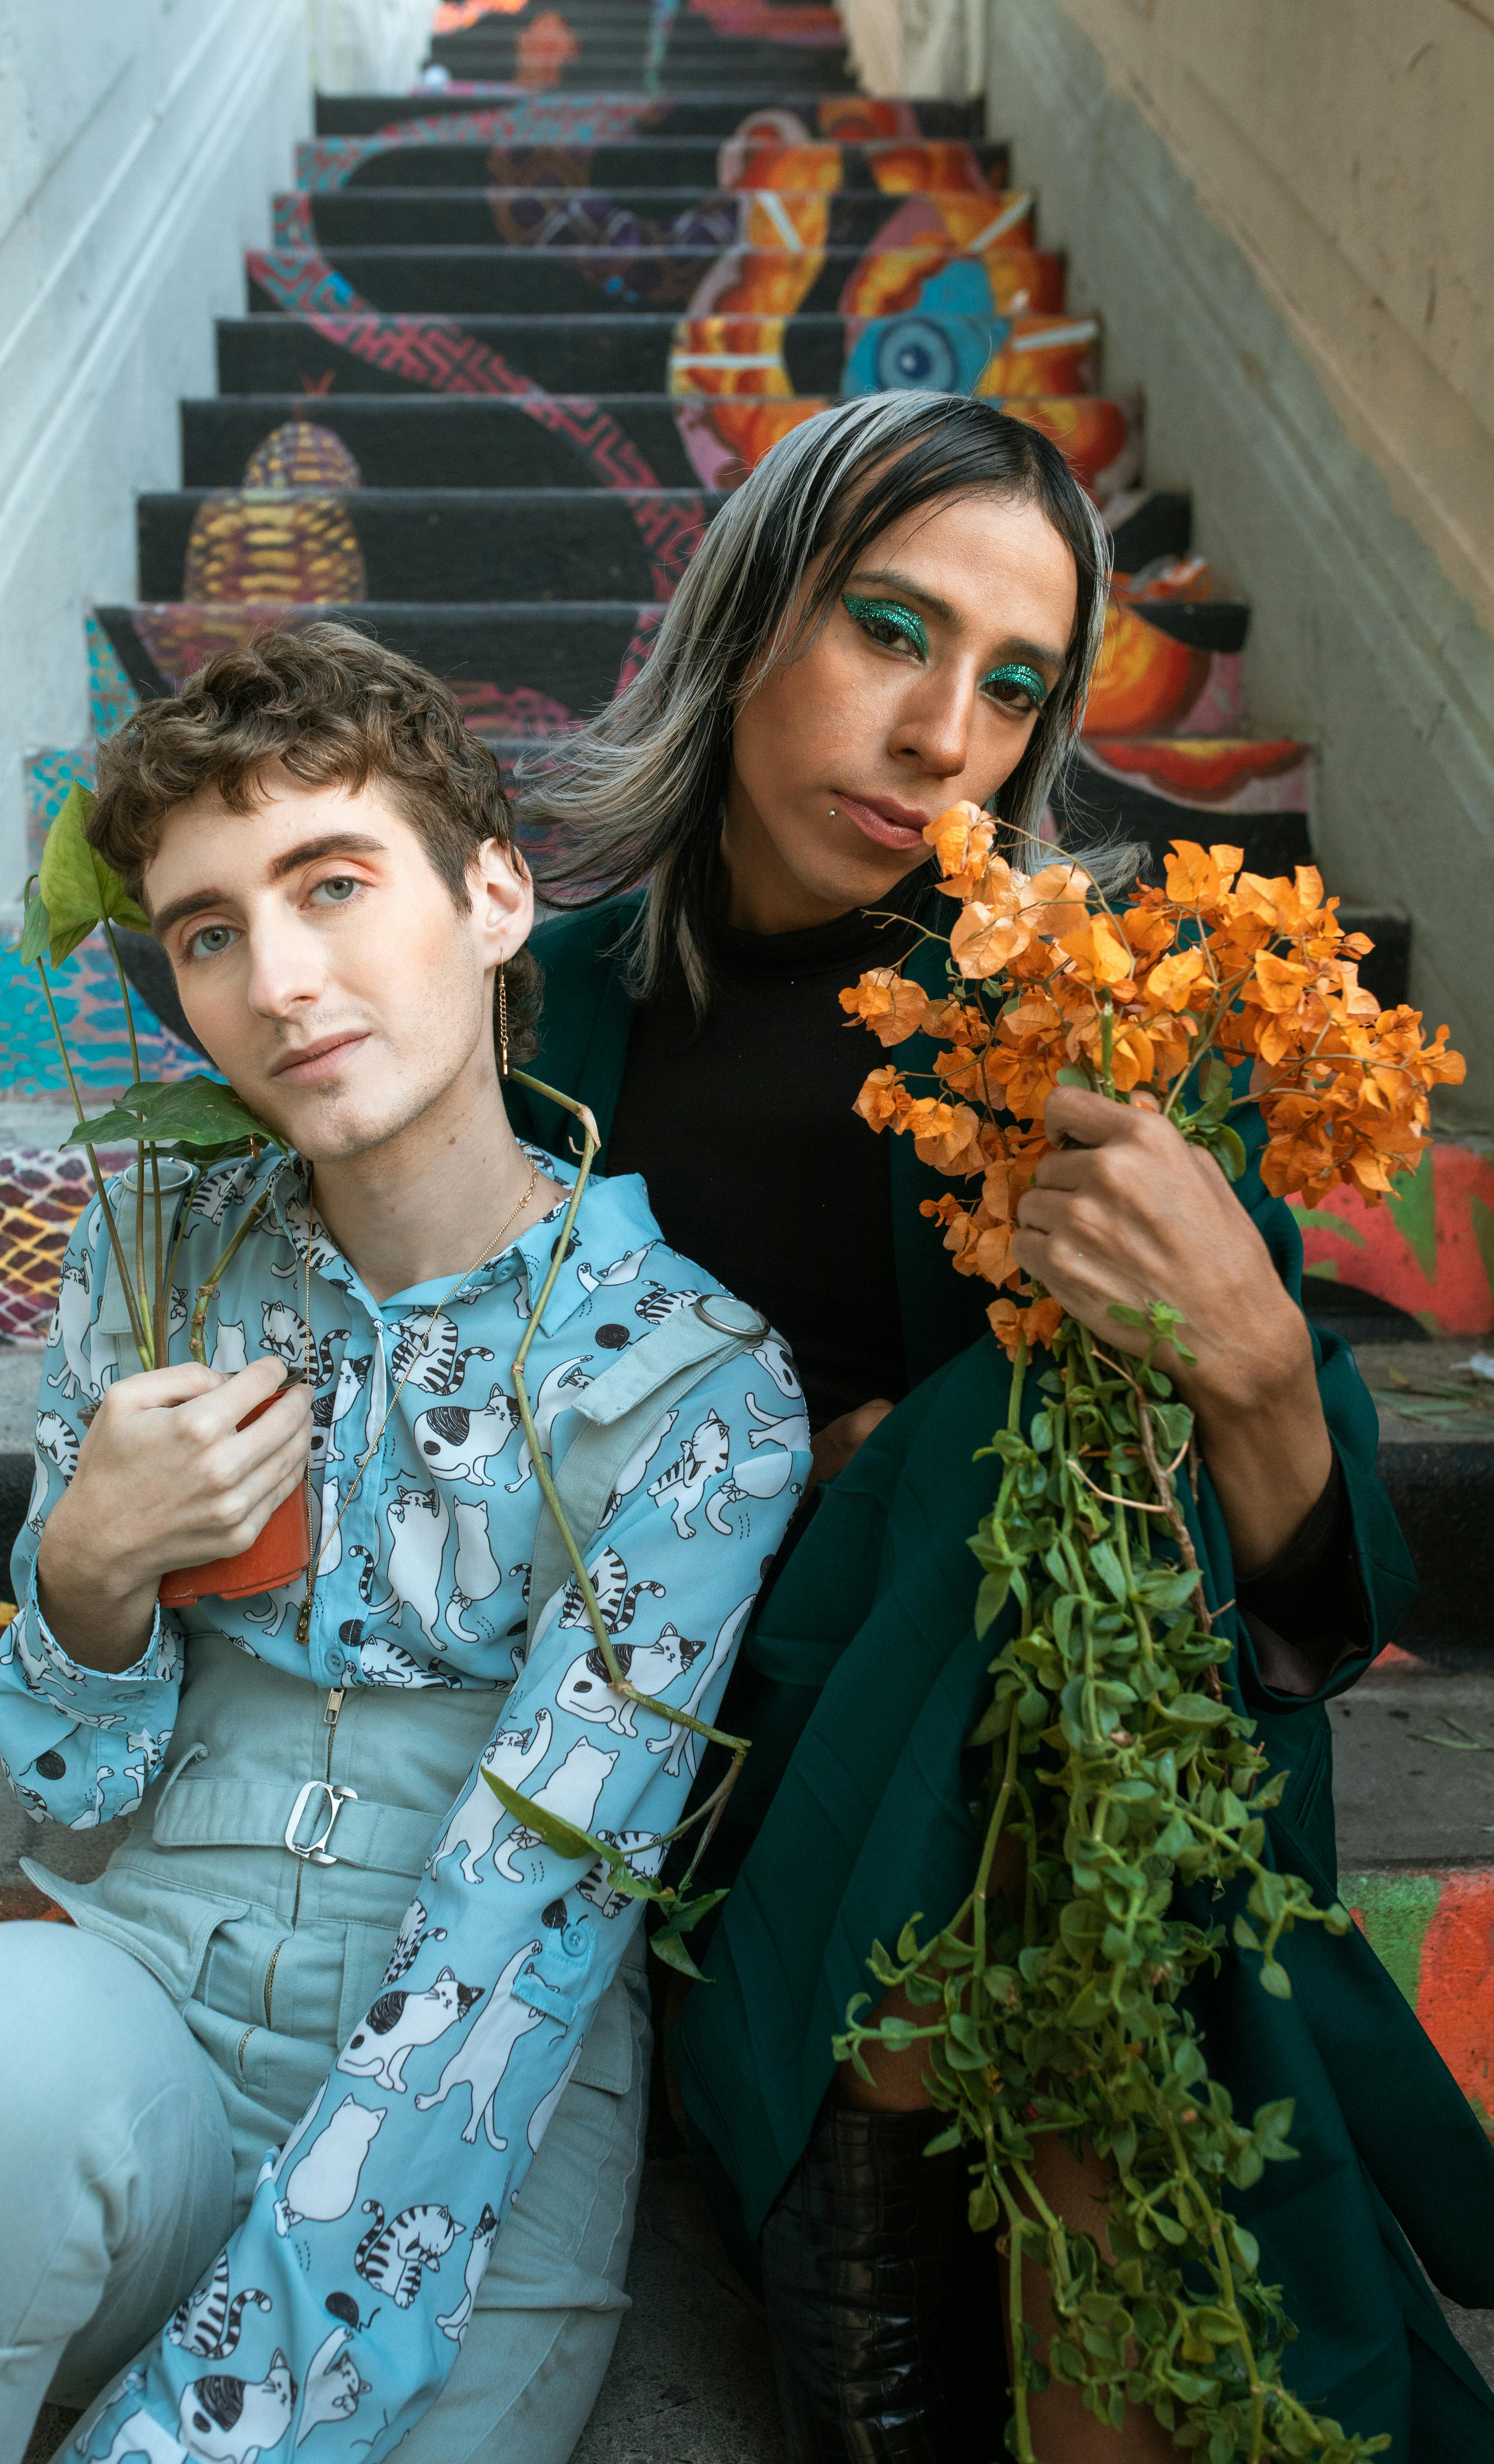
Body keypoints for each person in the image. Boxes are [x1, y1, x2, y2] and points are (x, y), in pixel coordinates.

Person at [505, 394, 1494, 2458]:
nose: (948, 732)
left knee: (974, 1453)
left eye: (1016, 684)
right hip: (697, 1764)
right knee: (964, 1453)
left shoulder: (1075, 1012)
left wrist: (1240, 1354)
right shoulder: (522, 1024)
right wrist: (792, 1475)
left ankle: (882, 2314)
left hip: (1071, 1749)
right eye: (890, 629)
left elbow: (1310, 1618)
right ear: (748, 609)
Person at [0, 625, 811, 2464]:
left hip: (476, 2146)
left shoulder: (694, 1389)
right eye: (210, 929)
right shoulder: (157, 1257)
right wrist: (90, 1574)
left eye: (336, 882)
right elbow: (74, 1770)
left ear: (499, 897)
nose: (281, 978)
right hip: (137, 2018)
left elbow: (525, 1939)